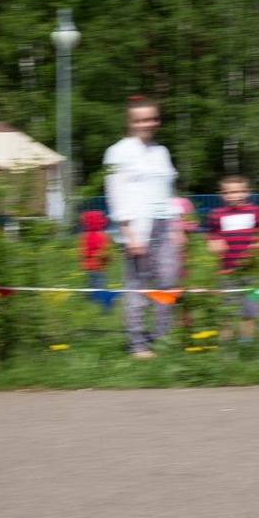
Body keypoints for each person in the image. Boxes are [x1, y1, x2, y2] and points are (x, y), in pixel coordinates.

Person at [104, 96, 182, 359]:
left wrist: (177, 226)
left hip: (165, 225)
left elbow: (169, 190)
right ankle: (137, 342)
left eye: (151, 118)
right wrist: (127, 232)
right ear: (129, 122)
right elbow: (114, 193)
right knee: (137, 285)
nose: (146, 123)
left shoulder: (161, 151)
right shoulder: (117, 151)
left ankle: (161, 337)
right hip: (137, 227)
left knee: (167, 283)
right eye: (140, 119)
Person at [205, 175, 259, 341]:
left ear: (247, 192)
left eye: (240, 191)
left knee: (250, 307)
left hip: (251, 270)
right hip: (226, 270)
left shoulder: (256, 211)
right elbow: (211, 234)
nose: (236, 195)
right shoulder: (216, 214)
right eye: (230, 192)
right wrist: (213, 242)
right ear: (222, 195)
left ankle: (246, 340)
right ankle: (225, 341)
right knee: (226, 307)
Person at [78, 210, 112, 310]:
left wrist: (85, 260)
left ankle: (90, 302)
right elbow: (106, 252)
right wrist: (107, 260)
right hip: (100, 267)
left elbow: (83, 252)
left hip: (89, 267)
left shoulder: (84, 236)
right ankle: (106, 306)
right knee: (101, 285)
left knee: (91, 284)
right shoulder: (103, 236)